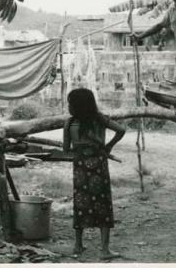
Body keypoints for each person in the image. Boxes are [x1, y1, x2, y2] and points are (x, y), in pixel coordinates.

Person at [63, 88, 126, 260]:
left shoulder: (70, 123)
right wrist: (108, 146)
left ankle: (78, 246)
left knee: (80, 203)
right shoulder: (100, 120)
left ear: (77, 106)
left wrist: (79, 147)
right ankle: (105, 250)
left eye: (70, 103)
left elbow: (66, 149)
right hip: (99, 166)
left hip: (80, 168)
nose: (68, 106)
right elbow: (121, 130)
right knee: (103, 203)